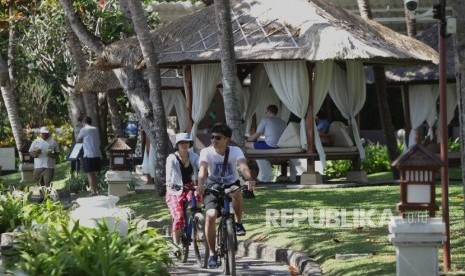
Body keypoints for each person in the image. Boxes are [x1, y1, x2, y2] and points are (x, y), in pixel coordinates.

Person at [197, 123, 256, 268]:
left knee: (237, 191)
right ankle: (212, 254)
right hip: (213, 186)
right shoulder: (206, 152)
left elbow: (243, 166)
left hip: (231, 184)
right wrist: (200, 183)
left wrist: (249, 179)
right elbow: (203, 168)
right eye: (212, 137)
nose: (213, 140)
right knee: (210, 216)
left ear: (227, 139)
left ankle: (238, 223)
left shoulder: (235, 151)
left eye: (218, 137)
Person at [165, 133, 200, 244]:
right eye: (182, 143)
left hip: (189, 187)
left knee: (198, 194)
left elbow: (201, 166)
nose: (185, 145)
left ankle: (197, 217)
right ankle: (176, 244)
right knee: (179, 216)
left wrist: (206, 175)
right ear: (178, 145)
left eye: (187, 142)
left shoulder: (193, 156)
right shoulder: (172, 158)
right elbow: (169, 172)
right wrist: (169, 182)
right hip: (175, 190)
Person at [246, 104, 287, 182]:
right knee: (258, 143)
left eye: (266, 111)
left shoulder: (265, 120)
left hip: (270, 145)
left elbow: (256, 135)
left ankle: (259, 176)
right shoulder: (283, 122)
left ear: (269, 111)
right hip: (280, 145)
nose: (266, 113)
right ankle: (264, 175)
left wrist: (247, 140)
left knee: (245, 145)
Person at [77, 116, 102, 196]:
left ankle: (93, 192)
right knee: (94, 174)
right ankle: (97, 190)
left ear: (84, 122)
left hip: (88, 154)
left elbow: (78, 140)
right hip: (97, 153)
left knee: (89, 174)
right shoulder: (95, 129)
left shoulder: (83, 129)